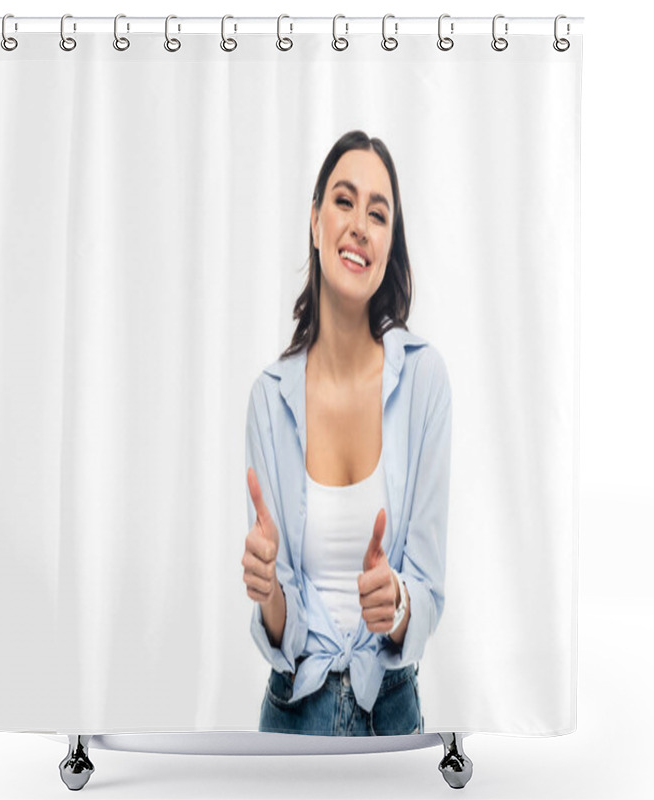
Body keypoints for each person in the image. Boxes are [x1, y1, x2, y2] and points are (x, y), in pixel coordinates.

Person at [242, 130, 452, 736]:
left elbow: (429, 588)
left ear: (389, 245)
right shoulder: (268, 399)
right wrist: (267, 592)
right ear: (315, 223)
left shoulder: (424, 382)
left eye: (378, 213)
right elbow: (280, 622)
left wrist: (398, 603)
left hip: (391, 711)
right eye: (344, 201)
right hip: (290, 714)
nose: (360, 224)